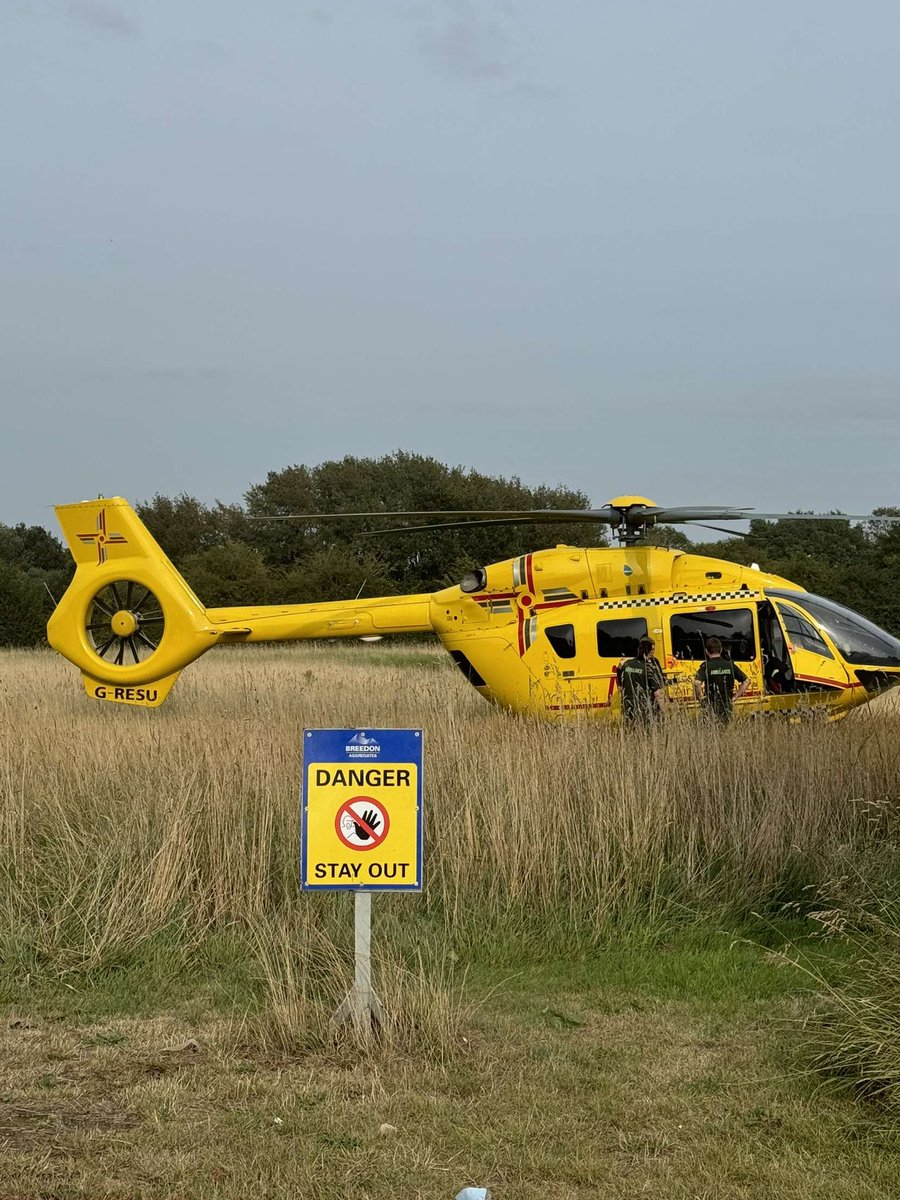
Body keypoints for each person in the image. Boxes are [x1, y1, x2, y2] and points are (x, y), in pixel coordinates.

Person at [693, 636, 749, 722]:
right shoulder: (730, 665)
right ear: (721, 650)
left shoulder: (705, 666)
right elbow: (746, 681)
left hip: (710, 705)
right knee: (724, 730)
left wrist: (700, 697)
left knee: (711, 730)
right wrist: (735, 697)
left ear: (706, 651)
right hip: (726, 704)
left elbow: (697, 683)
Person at [617, 637, 667, 723]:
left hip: (628, 706)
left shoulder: (627, 664)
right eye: (653, 649)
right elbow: (658, 694)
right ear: (649, 650)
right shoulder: (649, 668)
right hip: (644, 708)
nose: (653, 651)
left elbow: (620, 682)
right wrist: (665, 713)